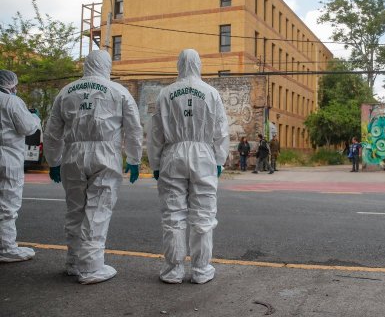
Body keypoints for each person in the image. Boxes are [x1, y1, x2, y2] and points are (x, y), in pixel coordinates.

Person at [45, 50, 143, 284]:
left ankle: (73, 261)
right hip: (105, 154)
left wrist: (53, 161)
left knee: (75, 209)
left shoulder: (66, 91)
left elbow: (52, 132)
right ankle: (91, 267)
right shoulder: (119, 92)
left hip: (72, 155)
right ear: (107, 65)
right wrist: (134, 159)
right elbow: (133, 128)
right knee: (98, 209)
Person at [147, 49, 230, 284]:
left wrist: (155, 162)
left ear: (179, 65)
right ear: (199, 64)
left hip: (173, 154)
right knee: (203, 214)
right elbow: (221, 131)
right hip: (203, 154)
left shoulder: (166, 94)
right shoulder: (211, 93)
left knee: (173, 214)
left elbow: (155, 132)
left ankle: (173, 270)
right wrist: (219, 161)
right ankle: (201, 270)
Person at [0, 70, 41, 263]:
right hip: (7, 158)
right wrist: (35, 118)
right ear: (11, 85)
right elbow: (26, 127)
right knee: (7, 205)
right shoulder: (12, 102)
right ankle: (6, 248)